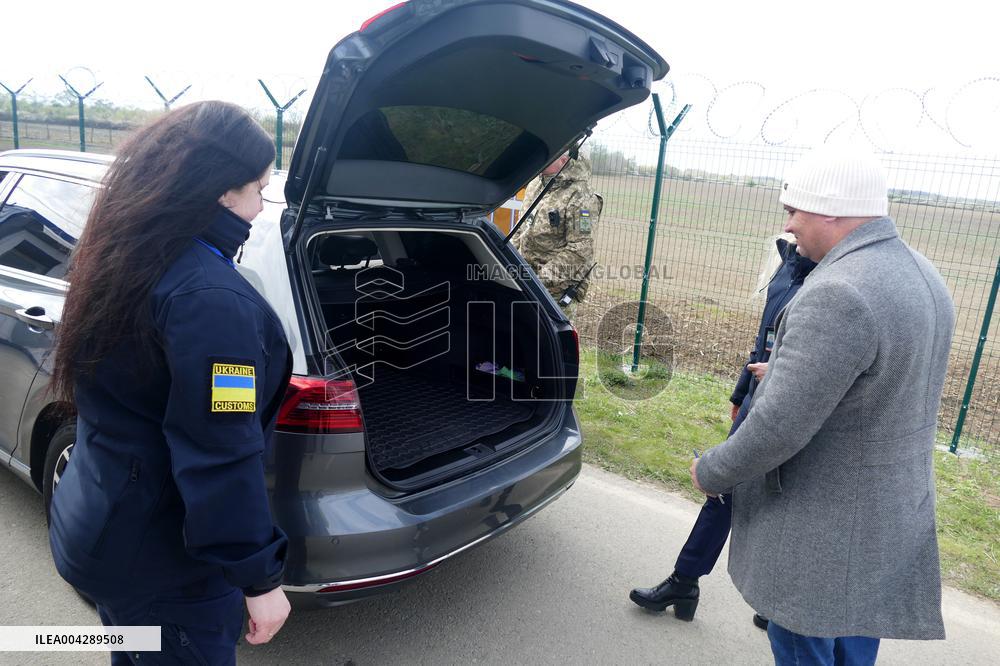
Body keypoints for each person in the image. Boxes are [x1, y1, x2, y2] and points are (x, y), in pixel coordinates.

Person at [48, 101, 292, 664]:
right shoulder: (210, 302)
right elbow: (221, 452)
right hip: (166, 570)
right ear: (220, 191)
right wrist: (259, 579)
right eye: (258, 189)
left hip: (106, 531)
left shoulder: (128, 254)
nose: (261, 206)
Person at [691, 146, 954, 665]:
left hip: (822, 528)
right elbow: (876, 381)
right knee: (855, 634)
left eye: (794, 211)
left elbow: (777, 428)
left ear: (831, 210)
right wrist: (791, 373)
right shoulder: (920, 272)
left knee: (801, 641)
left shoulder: (839, 291)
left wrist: (712, 471)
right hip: (883, 516)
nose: (788, 226)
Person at [629, 235, 816, 627]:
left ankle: (780, 605)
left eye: (798, 212)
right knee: (723, 491)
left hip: (797, 411)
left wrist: (778, 373)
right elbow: (764, 341)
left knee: (789, 503)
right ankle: (684, 582)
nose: (790, 224)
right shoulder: (785, 267)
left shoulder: (830, 281)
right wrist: (741, 393)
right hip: (756, 404)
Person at [513, 152, 602, 308]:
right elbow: (521, 228)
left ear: (563, 160)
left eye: (551, 153)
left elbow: (580, 250)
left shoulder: (581, 196)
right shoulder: (535, 184)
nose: (543, 156)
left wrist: (539, 280)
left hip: (555, 291)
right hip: (525, 281)